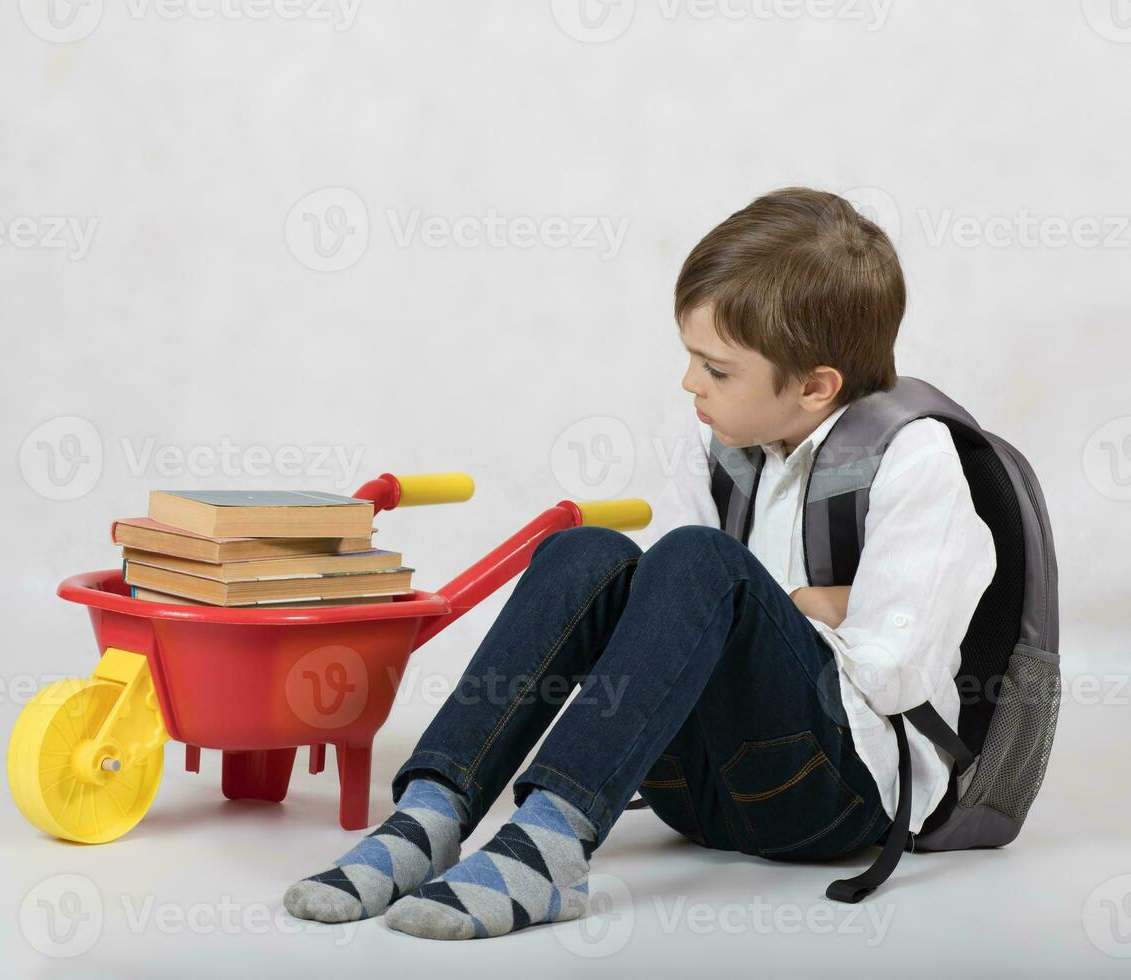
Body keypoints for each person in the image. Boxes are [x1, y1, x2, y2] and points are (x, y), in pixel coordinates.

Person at [283, 187, 997, 941]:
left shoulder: (916, 460)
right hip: (696, 789)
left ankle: (550, 848)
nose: (691, 383)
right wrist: (811, 601)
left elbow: (890, 668)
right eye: (691, 357)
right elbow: (673, 609)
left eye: (717, 370)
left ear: (816, 386)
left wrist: (763, 603)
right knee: (585, 550)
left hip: (829, 799)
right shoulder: (715, 442)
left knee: (699, 558)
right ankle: (429, 815)